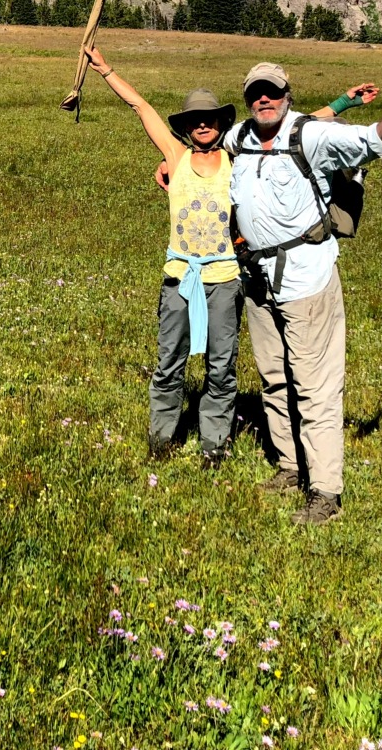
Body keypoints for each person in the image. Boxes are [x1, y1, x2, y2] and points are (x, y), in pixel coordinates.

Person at [225, 61, 382, 524]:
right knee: (275, 379)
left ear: (287, 95)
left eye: (272, 92)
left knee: (315, 390)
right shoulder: (239, 138)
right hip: (258, 282)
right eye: (256, 92)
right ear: (247, 98)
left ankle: (325, 493)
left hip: (307, 283)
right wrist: (169, 163)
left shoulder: (312, 136)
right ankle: (289, 466)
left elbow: (368, 142)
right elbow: (200, 147)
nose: (264, 99)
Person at [82, 45, 243, 467]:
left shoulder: (238, 161)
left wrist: (343, 103)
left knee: (221, 368)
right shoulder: (177, 156)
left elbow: (286, 129)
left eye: (210, 118)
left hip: (224, 279)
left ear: (221, 123)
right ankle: (161, 439)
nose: (203, 124)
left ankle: (214, 445)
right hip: (179, 278)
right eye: (195, 119)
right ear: (186, 127)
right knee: (169, 361)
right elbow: (140, 106)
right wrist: (105, 70)